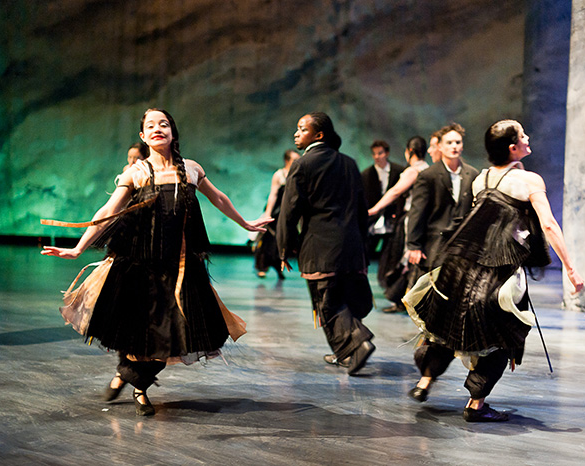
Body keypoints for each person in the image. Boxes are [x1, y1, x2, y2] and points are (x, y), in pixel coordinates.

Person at [41, 108, 270, 416]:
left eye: (163, 124)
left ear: (173, 133)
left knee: (173, 336)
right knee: (142, 336)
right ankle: (139, 388)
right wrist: (78, 249)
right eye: (150, 125)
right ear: (143, 135)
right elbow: (107, 211)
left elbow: (218, 198)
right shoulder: (136, 173)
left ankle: (128, 376)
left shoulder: (191, 169)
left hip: (180, 270)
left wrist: (246, 224)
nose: (157, 128)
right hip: (141, 269)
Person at [403, 119, 584, 422]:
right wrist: (570, 269)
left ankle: (425, 381)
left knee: (447, 327)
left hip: (459, 265)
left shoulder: (481, 179)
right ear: (513, 147)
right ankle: (476, 405)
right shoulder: (529, 181)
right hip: (494, 272)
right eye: (523, 135)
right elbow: (549, 225)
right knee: (500, 335)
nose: (528, 137)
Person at [276, 112, 375, 375]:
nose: (296, 133)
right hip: (351, 245)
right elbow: (362, 210)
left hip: (320, 246)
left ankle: (358, 342)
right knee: (342, 299)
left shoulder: (302, 164)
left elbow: (289, 210)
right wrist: (363, 245)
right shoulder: (350, 163)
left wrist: (284, 247)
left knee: (327, 303)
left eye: (302, 129)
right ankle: (345, 353)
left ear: (318, 135)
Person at [406, 123, 479, 278]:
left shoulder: (472, 174)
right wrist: (414, 245)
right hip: (435, 246)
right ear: (439, 146)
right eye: (449, 142)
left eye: (458, 142)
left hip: (463, 248)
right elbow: (417, 211)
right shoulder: (428, 175)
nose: (454, 146)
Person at [368, 136, 430, 312]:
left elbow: (395, 191)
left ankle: (401, 300)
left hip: (410, 220)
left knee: (401, 259)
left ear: (409, 151)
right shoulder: (429, 169)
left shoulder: (414, 171)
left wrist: (375, 209)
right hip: (423, 221)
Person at [253, 149, 301, 278]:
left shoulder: (298, 174)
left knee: (285, 240)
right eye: (294, 160)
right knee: (269, 238)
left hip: (290, 211)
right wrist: (268, 213)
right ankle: (263, 267)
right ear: (287, 160)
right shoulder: (279, 175)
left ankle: (279, 266)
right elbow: (273, 194)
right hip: (277, 211)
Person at [361, 140, 406, 269]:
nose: (377, 157)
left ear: (387, 153)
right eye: (374, 154)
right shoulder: (366, 175)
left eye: (380, 153)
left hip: (393, 218)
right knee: (366, 253)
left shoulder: (399, 171)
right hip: (372, 219)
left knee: (391, 255)